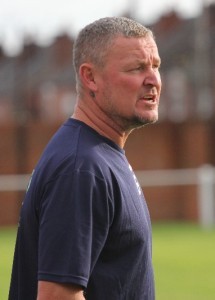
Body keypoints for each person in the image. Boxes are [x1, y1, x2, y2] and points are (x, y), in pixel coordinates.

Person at [9, 16, 162, 300]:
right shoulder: (81, 167)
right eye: (137, 68)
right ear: (90, 77)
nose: (153, 80)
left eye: (155, 66)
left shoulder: (100, 155)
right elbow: (58, 296)